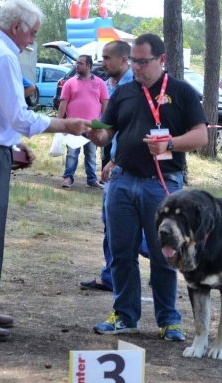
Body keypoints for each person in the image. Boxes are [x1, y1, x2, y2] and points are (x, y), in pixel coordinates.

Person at [0, 0, 91, 341]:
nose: (32, 40)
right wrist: (65, 124)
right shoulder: (1, 56)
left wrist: (12, 142)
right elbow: (18, 115)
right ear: (16, 26)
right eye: (32, 32)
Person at [87, 33, 208, 341]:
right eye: (133, 61)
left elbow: (201, 136)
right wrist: (92, 132)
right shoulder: (124, 92)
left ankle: (169, 320)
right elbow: (107, 132)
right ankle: (125, 316)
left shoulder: (182, 92)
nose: (136, 67)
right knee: (120, 251)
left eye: (143, 61)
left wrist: (171, 143)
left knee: (164, 253)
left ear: (162, 60)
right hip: (123, 182)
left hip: (163, 185)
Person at [79, 40, 140, 292]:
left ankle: (170, 250)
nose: (101, 63)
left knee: (123, 229)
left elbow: (133, 130)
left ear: (124, 60)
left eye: (106, 58)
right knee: (110, 223)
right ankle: (110, 276)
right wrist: (89, 129)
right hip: (116, 160)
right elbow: (111, 126)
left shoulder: (134, 88)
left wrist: (114, 161)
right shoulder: (110, 85)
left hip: (127, 166)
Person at [59, 54, 108, 189]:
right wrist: (60, 123)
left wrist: (103, 124)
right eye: (77, 63)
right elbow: (63, 104)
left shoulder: (100, 83)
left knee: (91, 154)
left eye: (80, 63)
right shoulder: (70, 83)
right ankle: (68, 177)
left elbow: (105, 103)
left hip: (93, 126)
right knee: (72, 154)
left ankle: (92, 179)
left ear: (89, 66)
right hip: (73, 126)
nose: (77, 65)